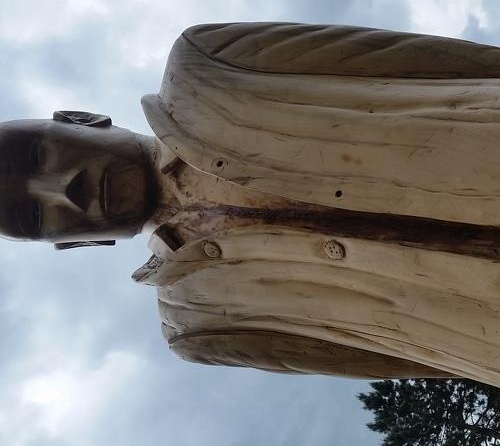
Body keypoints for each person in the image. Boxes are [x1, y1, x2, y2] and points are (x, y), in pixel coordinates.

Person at [3, 23, 500, 385]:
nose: (64, 189)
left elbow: (420, 61)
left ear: (81, 117)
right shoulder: (196, 322)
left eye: (36, 155)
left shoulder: (207, 68)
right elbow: (404, 359)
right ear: (73, 243)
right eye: (35, 215)